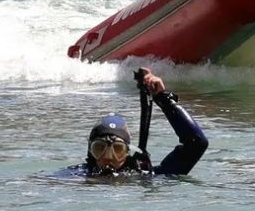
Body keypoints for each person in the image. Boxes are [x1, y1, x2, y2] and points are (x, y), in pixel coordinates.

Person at [59, 68, 208, 177]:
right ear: (90, 152)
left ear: (127, 153)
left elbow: (196, 143)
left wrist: (162, 99)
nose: (109, 157)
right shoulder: (76, 176)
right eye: (99, 148)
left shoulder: (144, 176)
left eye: (117, 149)